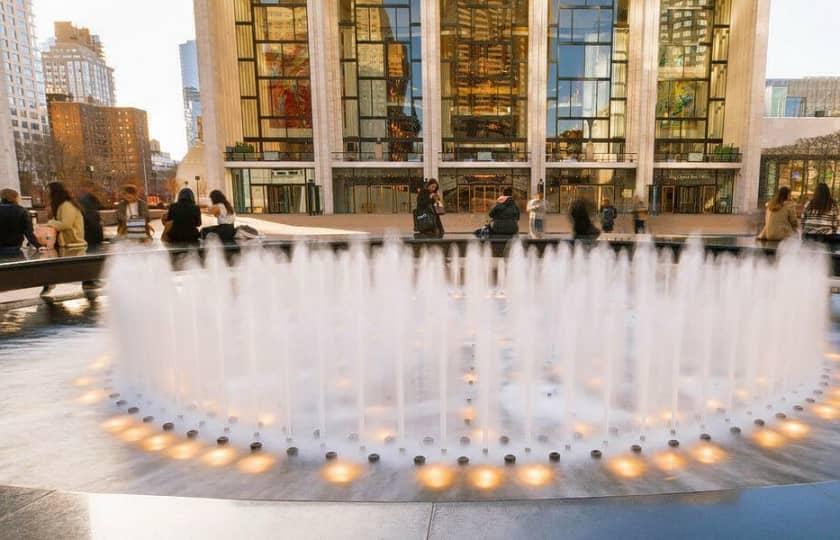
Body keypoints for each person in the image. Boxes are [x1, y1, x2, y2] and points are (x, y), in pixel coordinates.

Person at [46, 182, 87, 249]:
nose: (48, 195)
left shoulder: (67, 205)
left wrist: (50, 222)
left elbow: (66, 224)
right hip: (68, 244)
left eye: (49, 192)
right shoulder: (61, 205)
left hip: (74, 244)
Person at [0, 188, 41, 252]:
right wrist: (38, 245)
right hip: (15, 246)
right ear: (15, 198)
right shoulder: (22, 211)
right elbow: (28, 231)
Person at [77, 181, 104, 247]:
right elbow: (90, 216)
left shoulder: (87, 199)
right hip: (91, 231)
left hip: (90, 230)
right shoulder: (85, 200)